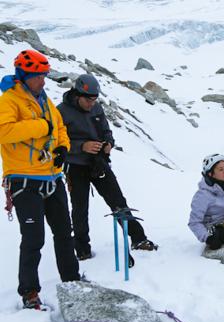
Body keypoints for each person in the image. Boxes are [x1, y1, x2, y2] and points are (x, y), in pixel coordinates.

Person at [0, 49, 81, 309]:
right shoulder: (9, 100)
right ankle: (29, 291)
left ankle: (72, 280)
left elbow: (59, 128)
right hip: (24, 179)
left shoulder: (45, 100)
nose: (43, 80)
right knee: (34, 238)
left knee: (64, 233)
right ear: (23, 75)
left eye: (44, 75)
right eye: (38, 76)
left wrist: (63, 149)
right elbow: (5, 132)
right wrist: (42, 127)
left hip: (51, 177)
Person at [58, 74, 157, 260]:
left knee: (118, 201)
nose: (91, 103)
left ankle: (138, 238)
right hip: (75, 166)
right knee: (80, 208)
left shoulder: (96, 108)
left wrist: (108, 144)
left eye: (95, 99)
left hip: (98, 163)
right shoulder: (62, 112)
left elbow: (106, 131)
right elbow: (57, 142)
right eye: (88, 99)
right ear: (77, 94)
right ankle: (82, 249)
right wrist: (82, 146)